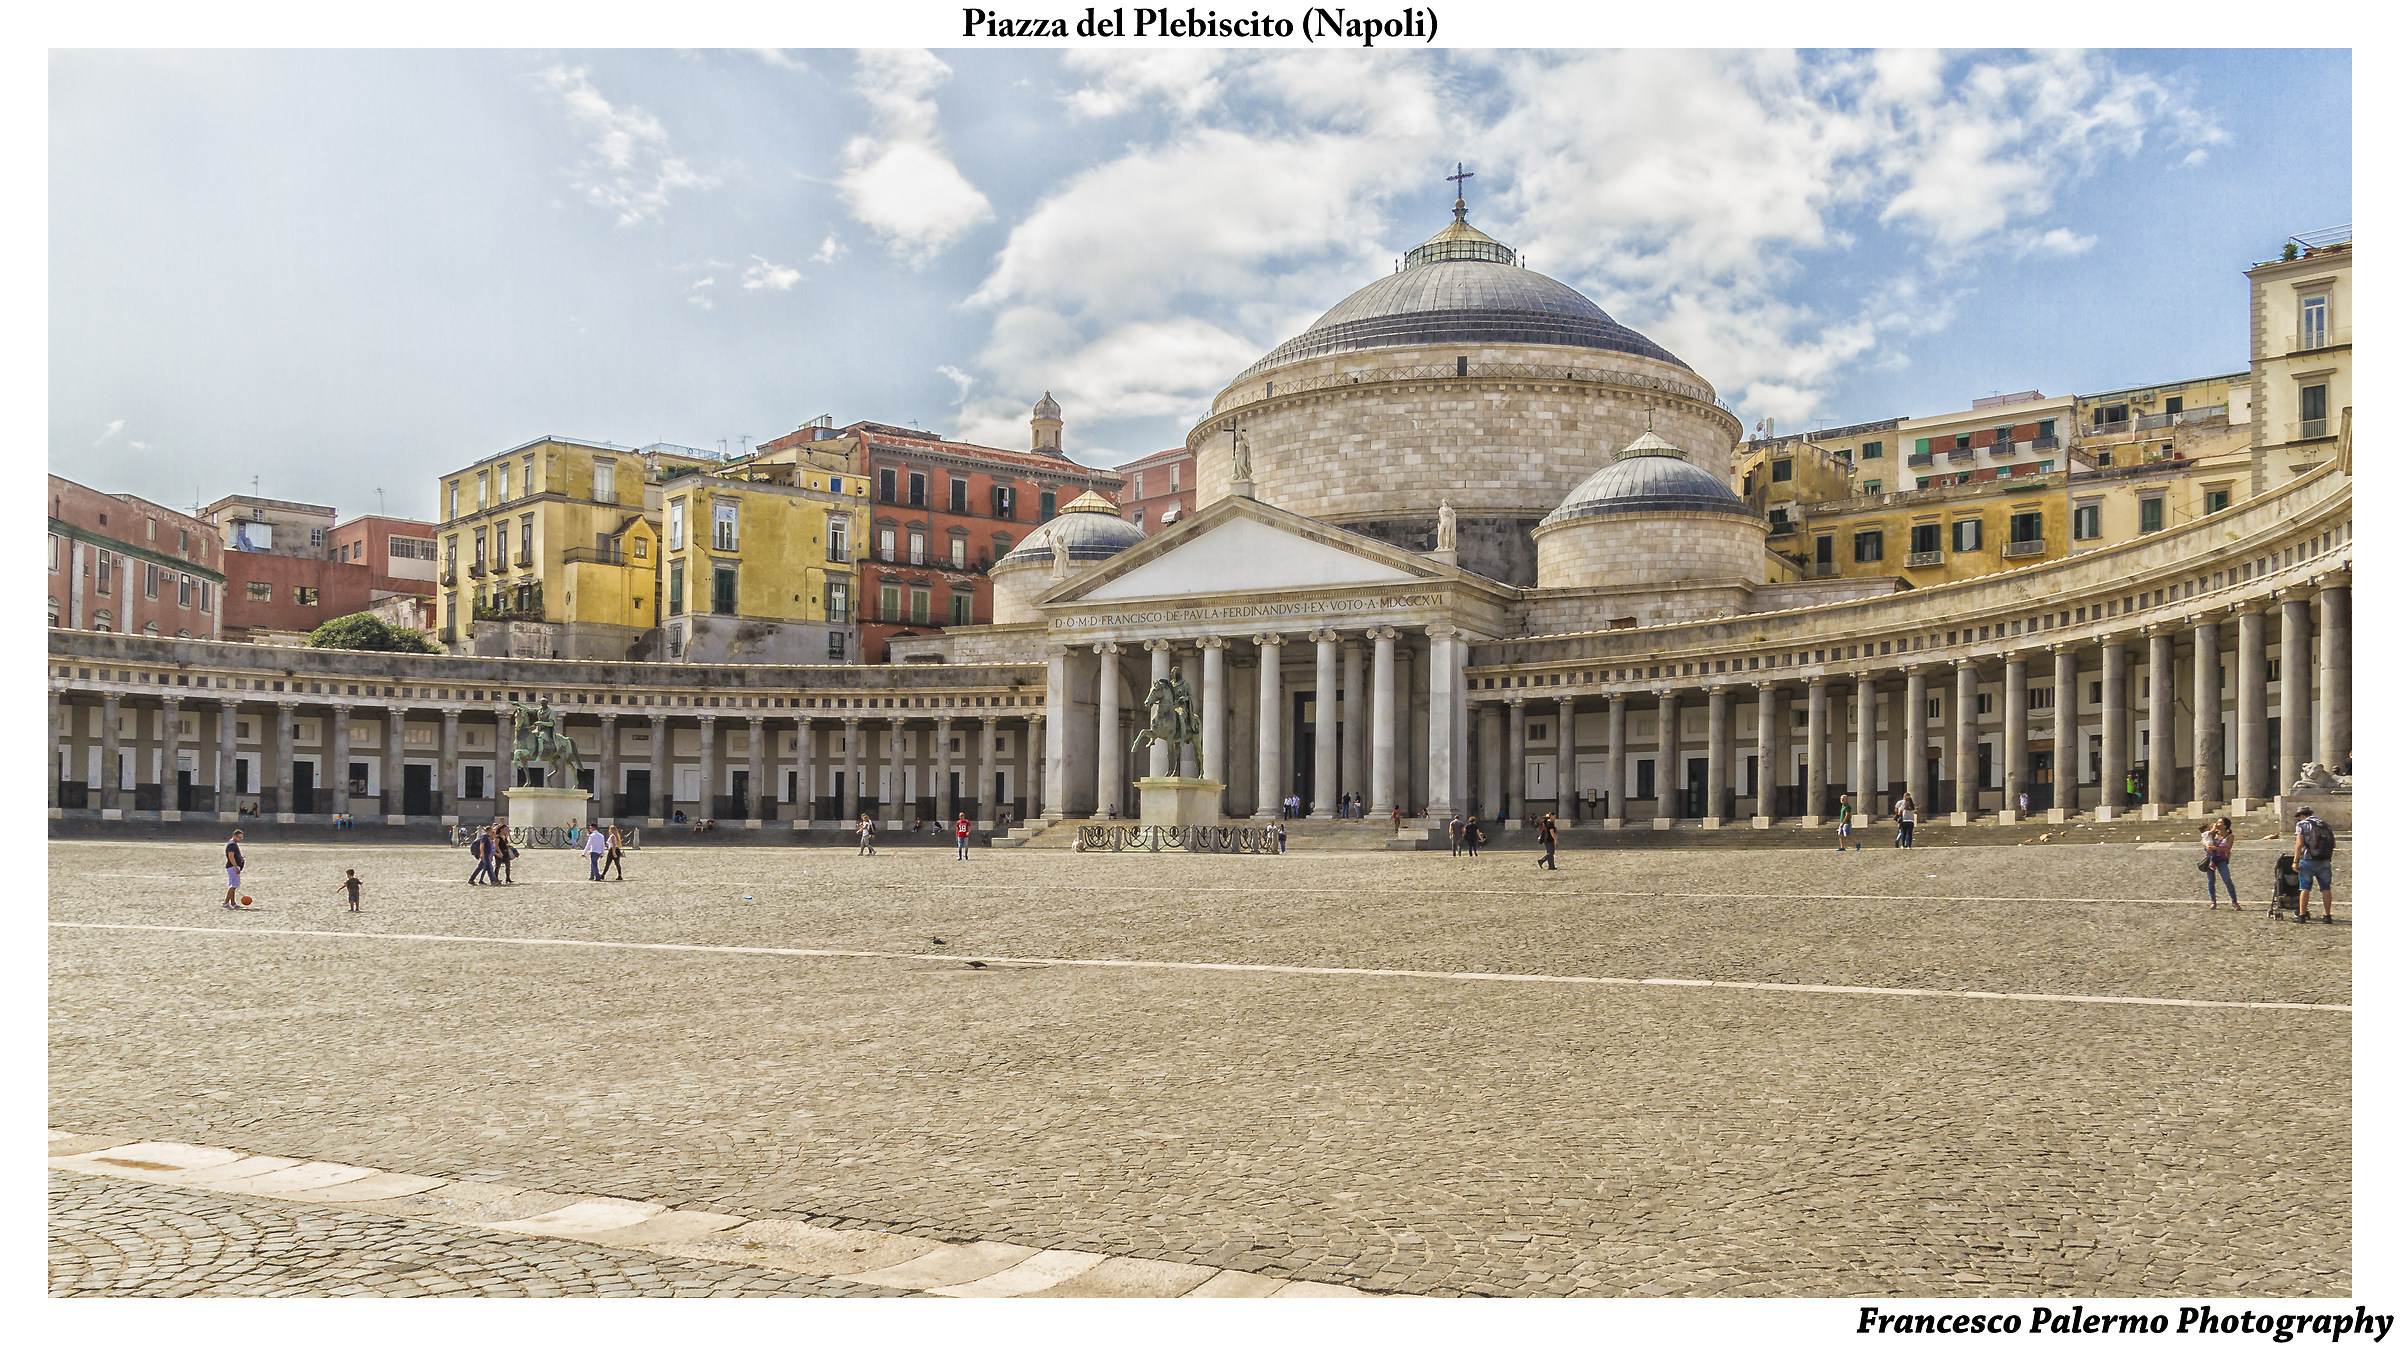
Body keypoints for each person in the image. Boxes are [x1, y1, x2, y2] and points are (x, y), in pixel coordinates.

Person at [2293, 806, 2336, 923]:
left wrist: (2295, 861)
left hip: (2308, 859)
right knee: (2326, 888)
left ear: (2302, 816)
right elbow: (2333, 844)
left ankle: (2302, 915)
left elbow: (2299, 844)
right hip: (2324, 860)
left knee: (2305, 888)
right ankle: (2327, 915)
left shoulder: (2302, 825)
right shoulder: (2325, 825)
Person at [2200, 816, 2239, 910]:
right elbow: (2203, 840)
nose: (2217, 824)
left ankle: (2234, 902)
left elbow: (2227, 849)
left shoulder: (2230, 836)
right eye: (2217, 822)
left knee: (2227, 880)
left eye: (2220, 822)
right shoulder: (2214, 834)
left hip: (2222, 860)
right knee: (2211, 881)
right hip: (2210, 860)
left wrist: (2215, 848)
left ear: (2225, 825)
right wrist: (2207, 846)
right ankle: (2213, 901)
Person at [223, 829, 245, 909]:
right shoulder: (231, 845)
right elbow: (231, 856)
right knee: (233, 885)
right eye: (239, 837)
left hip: (233, 866)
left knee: (234, 885)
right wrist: (235, 866)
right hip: (232, 867)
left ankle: (233, 903)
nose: (240, 839)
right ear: (234, 836)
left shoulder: (233, 844)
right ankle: (225, 902)